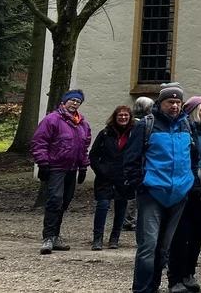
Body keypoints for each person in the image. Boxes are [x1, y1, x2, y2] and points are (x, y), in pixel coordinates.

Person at [125, 84, 194, 293]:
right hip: (152, 192)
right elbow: (131, 158)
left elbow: (194, 156)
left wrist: (189, 182)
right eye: (170, 102)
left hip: (179, 194)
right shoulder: (146, 125)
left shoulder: (186, 125)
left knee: (163, 247)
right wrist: (141, 184)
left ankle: (153, 286)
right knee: (148, 246)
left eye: (178, 102)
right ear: (160, 103)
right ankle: (142, 289)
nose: (174, 106)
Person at [32, 88, 93, 254]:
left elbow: (83, 148)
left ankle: (55, 235)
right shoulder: (52, 119)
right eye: (72, 100)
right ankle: (48, 237)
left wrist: (83, 167)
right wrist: (43, 163)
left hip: (72, 169)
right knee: (55, 200)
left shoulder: (82, 124)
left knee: (65, 201)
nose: (75, 103)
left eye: (78, 101)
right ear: (65, 101)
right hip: (56, 168)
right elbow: (39, 142)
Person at [168, 97, 201, 293]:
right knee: (181, 235)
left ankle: (189, 272)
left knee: (198, 233)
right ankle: (176, 276)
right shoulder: (183, 132)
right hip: (185, 188)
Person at [90, 105, 134, 250]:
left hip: (124, 177)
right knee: (102, 206)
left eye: (126, 115)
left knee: (121, 208)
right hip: (105, 177)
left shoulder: (134, 134)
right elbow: (94, 154)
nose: (123, 118)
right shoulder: (105, 133)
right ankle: (97, 239)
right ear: (115, 117)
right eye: (120, 115)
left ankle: (114, 238)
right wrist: (100, 170)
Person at [124, 96, 156, 232]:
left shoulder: (136, 122)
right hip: (136, 163)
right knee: (132, 195)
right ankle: (129, 219)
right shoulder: (141, 123)